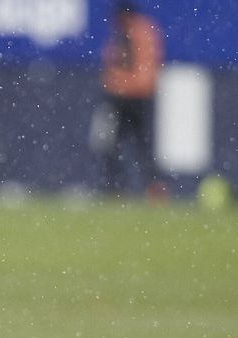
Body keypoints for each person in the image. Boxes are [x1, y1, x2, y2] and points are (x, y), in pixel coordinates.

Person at [100, 1, 166, 199]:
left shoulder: (133, 33)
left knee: (121, 145)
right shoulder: (144, 31)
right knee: (138, 146)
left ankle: (119, 188)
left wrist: (118, 85)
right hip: (137, 96)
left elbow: (134, 68)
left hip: (130, 97)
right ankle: (146, 188)